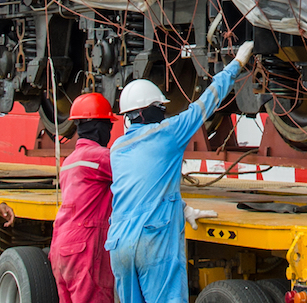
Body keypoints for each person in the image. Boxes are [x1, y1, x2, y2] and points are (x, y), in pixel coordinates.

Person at [107, 41, 252, 303]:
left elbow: (142, 188)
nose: (164, 112)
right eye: (160, 108)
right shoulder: (168, 134)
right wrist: (236, 64)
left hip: (118, 244)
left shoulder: (117, 148)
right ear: (149, 110)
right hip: (152, 241)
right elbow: (206, 102)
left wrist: (182, 208)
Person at [52, 93, 120, 303]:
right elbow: (136, 173)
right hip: (85, 247)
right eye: (108, 124)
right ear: (99, 126)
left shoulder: (69, 161)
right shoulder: (100, 157)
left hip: (60, 247)